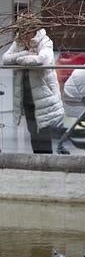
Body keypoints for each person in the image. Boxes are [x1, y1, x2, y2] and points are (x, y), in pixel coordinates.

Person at [2, 16, 65, 154]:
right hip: (27, 96)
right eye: (22, 32)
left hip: (44, 95)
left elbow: (42, 60)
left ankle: (46, 161)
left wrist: (19, 60)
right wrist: (25, 54)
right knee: (32, 130)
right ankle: (38, 160)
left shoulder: (45, 41)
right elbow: (5, 59)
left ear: (33, 31)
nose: (24, 35)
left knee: (43, 131)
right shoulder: (19, 43)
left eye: (26, 32)